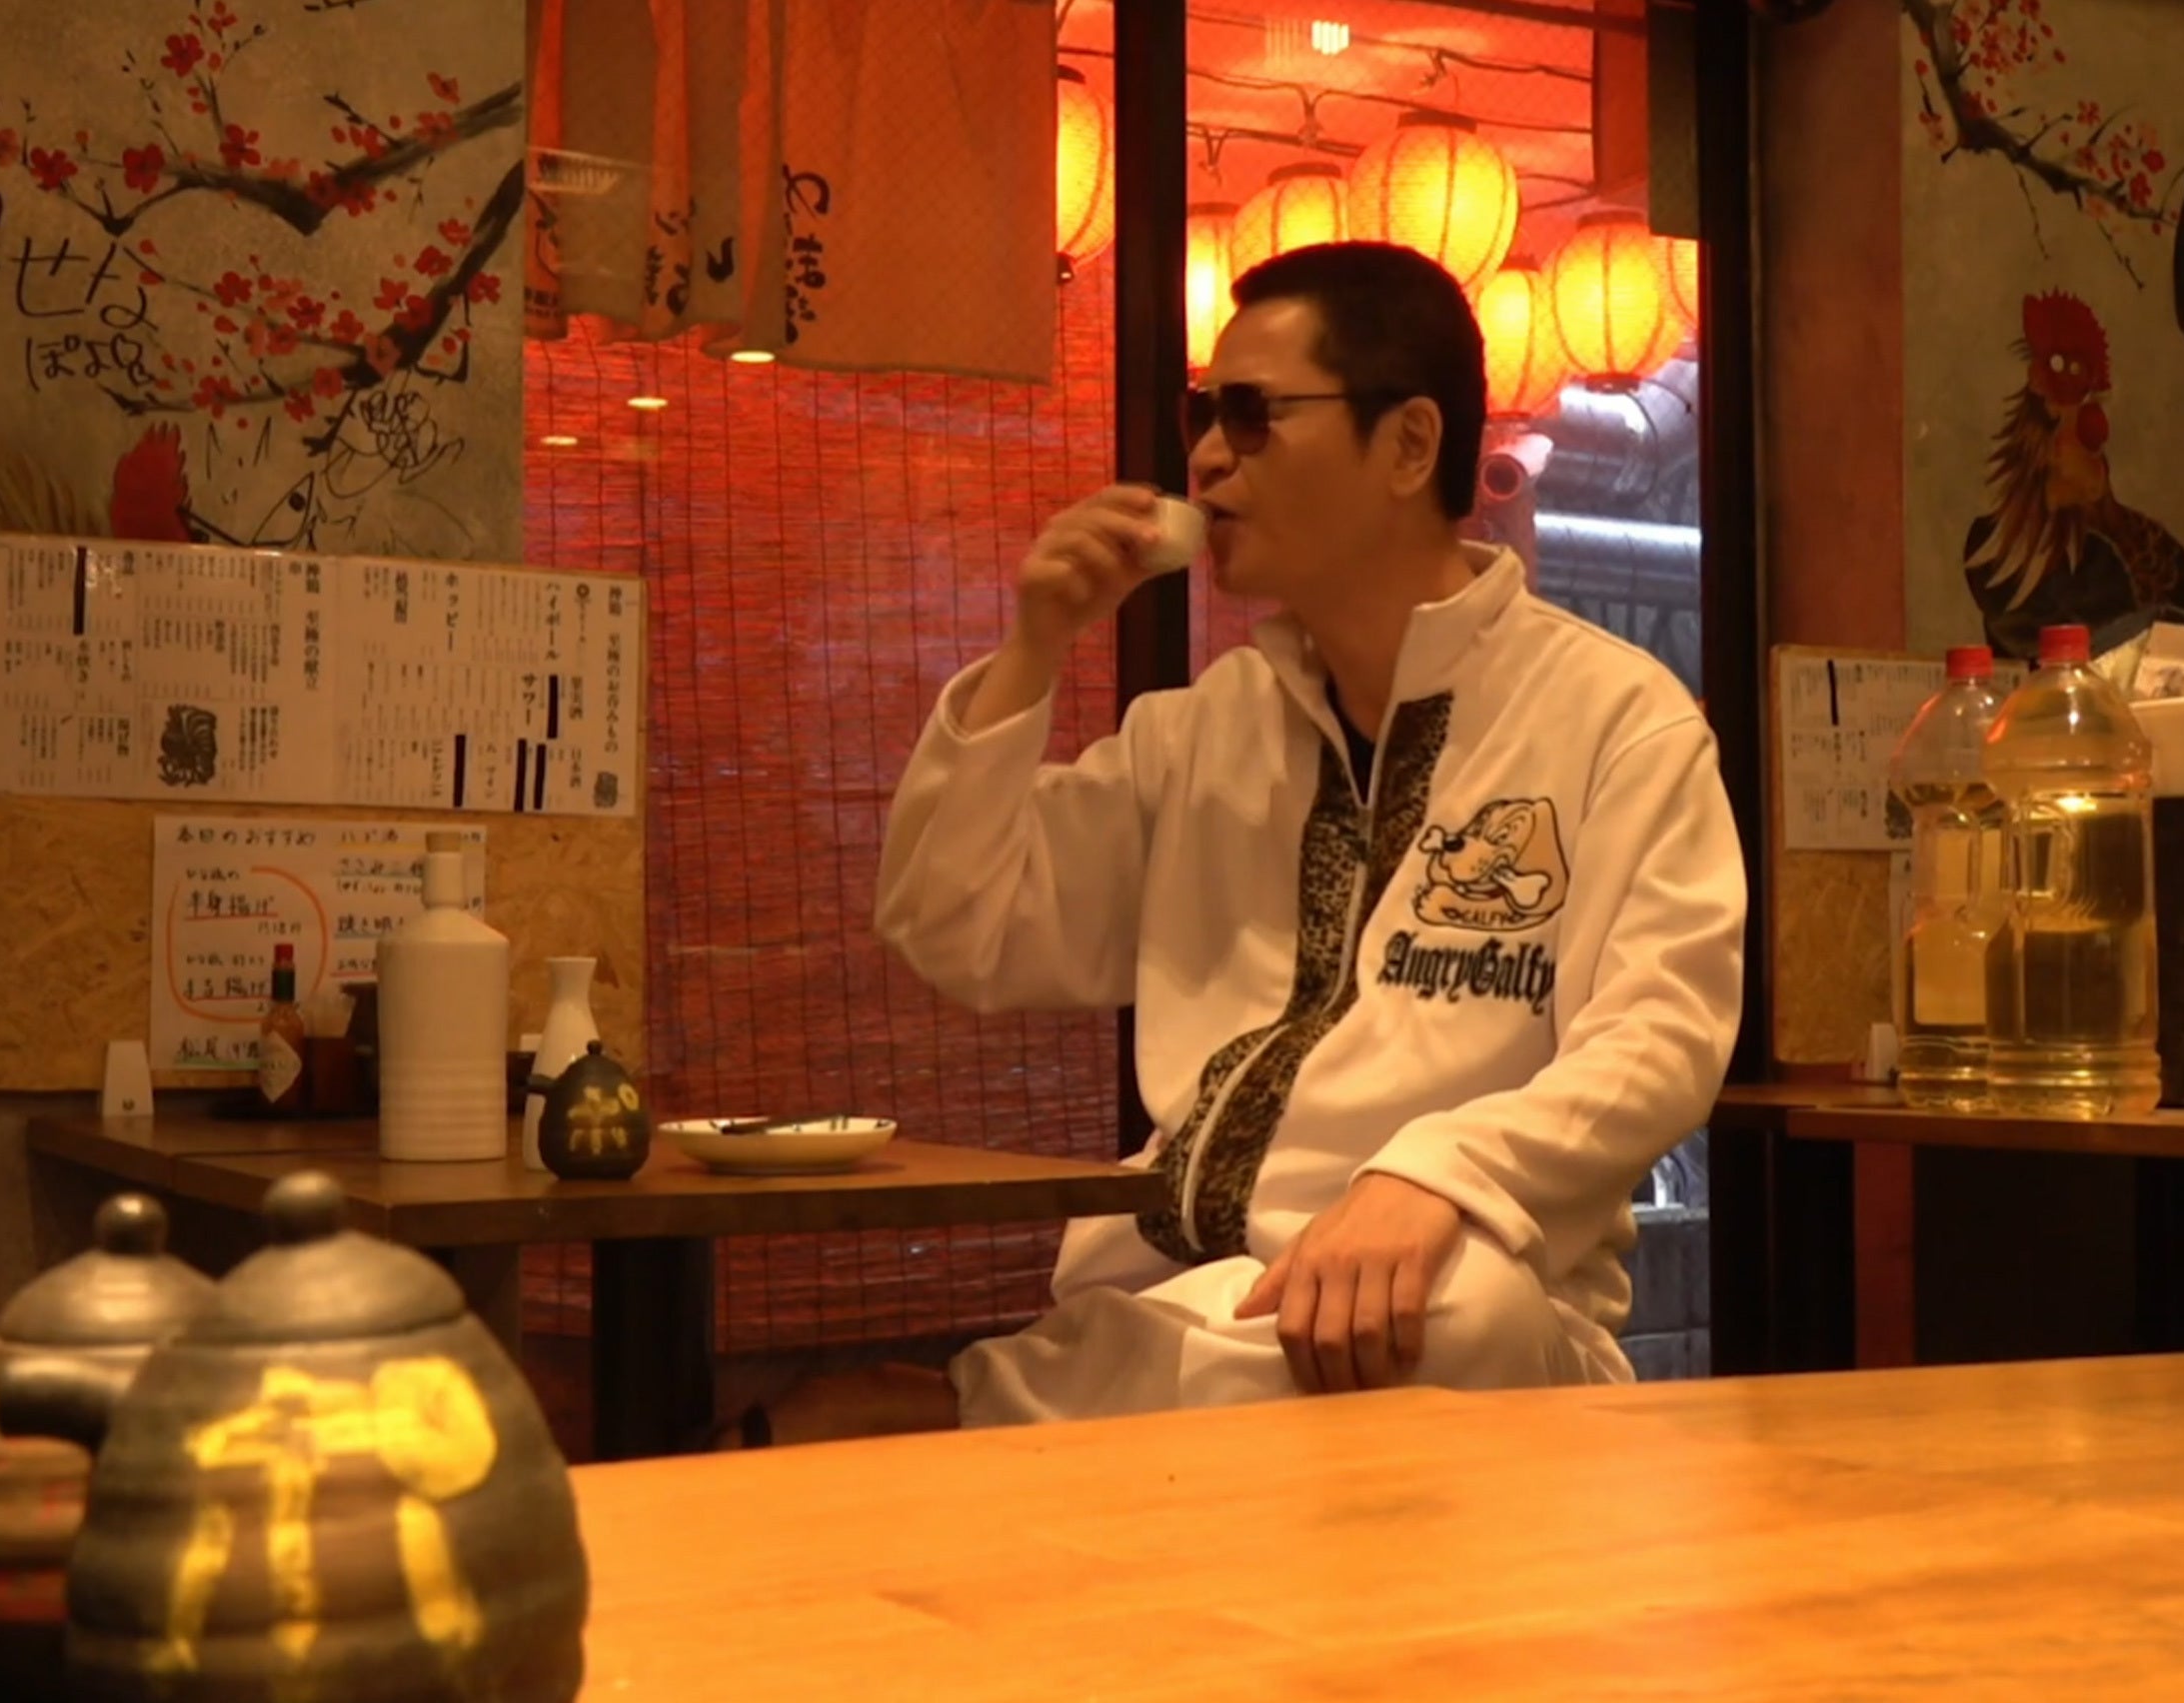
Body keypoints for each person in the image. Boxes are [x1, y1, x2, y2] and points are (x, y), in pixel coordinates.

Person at [729, 242, 1745, 1446]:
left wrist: (1439, 1174)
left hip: (1460, 1285)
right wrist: (1033, 647)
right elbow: (958, 925)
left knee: (1459, 1315)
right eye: (1201, 415)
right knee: (1242, 1326)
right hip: (1174, 1288)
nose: (1208, 456)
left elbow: (1658, 1034)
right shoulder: (1205, 729)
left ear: (1409, 445)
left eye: (1253, 415)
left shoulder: (1611, 718)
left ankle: (986, 1406)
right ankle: (1060, 1393)